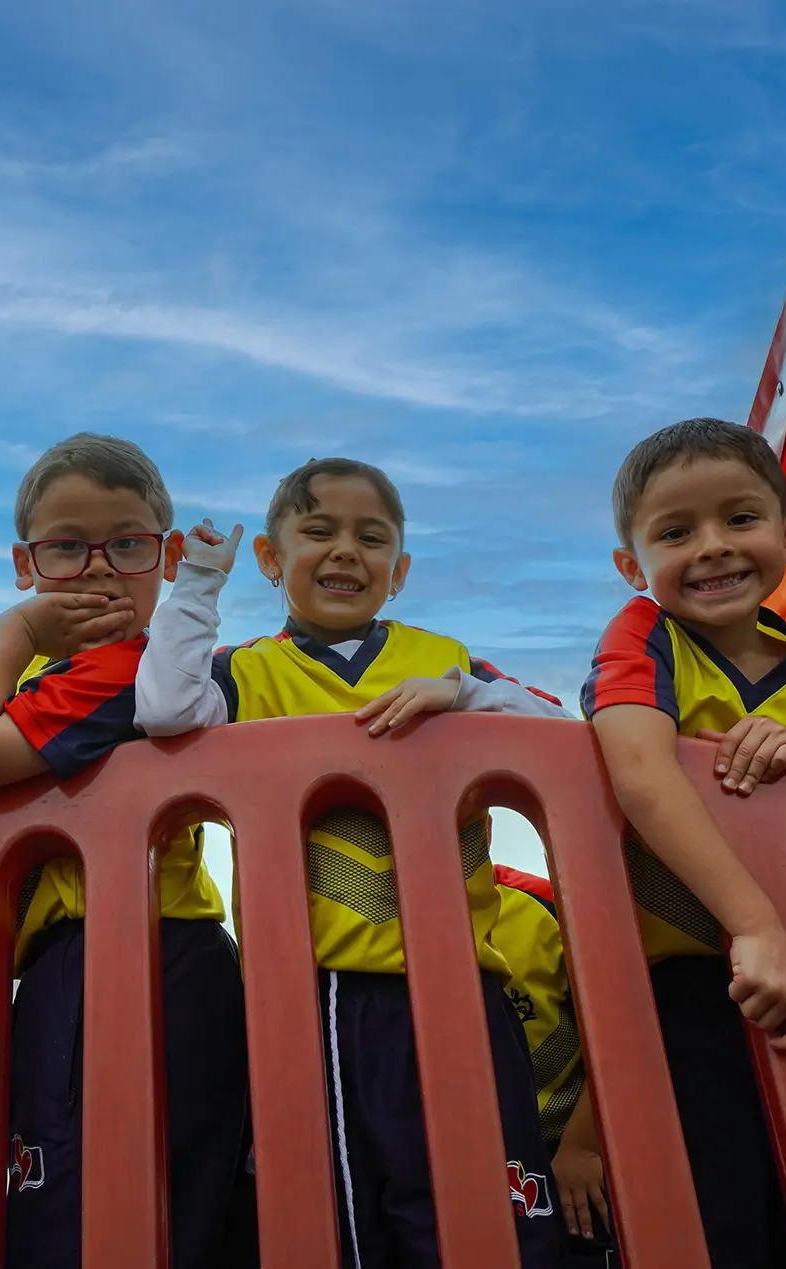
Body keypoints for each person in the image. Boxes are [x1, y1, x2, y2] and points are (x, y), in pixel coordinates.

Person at [133, 457, 568, 1269]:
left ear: (398, 571)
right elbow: (162, 709)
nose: (345, 551)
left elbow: (559, 725)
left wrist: (461, 697)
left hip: (464, 982)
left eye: (371, 538)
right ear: (270, 557)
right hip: (329, 994)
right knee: (361, 1218)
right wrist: (195, 586)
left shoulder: (442, 658)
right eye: (319, 531)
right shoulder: (250, 672)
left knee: (497, 1209)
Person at [0, 433, 249, 1269]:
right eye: (67, 548)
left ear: (170, 557)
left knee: (81, 1209)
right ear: (25, 561)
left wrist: (19, 625)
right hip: (125, 958)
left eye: (127, 544)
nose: (99, 570)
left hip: (120, 957)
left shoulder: (126, 670)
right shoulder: (65, 685)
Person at [580, 417, 786, 1268]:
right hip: (677, 990)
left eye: (739, 519)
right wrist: (754, 926)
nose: (712, 546)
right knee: (713, 1220)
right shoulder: (647, 633)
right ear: (632, 566)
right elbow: (640, 770)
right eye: (676, 532)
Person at [492, 865, 617, 1269]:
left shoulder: (547, 906)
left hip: (565, 1151)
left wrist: (583, 1146)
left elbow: (621, 1027)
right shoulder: (381, 931)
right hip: (468, 1158)